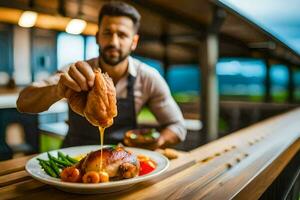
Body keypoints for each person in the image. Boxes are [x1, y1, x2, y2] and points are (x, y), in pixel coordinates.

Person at [17, 1, 186, 149]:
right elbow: (23, 102)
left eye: (122, 35)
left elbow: (178, 126)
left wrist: (157, 141)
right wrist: (58, 89)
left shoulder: (148, 77)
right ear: (98, 37)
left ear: (133, 42)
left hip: (120, 163)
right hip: (73, 163)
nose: (113, 42)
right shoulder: (75, 71)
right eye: (107, 33)